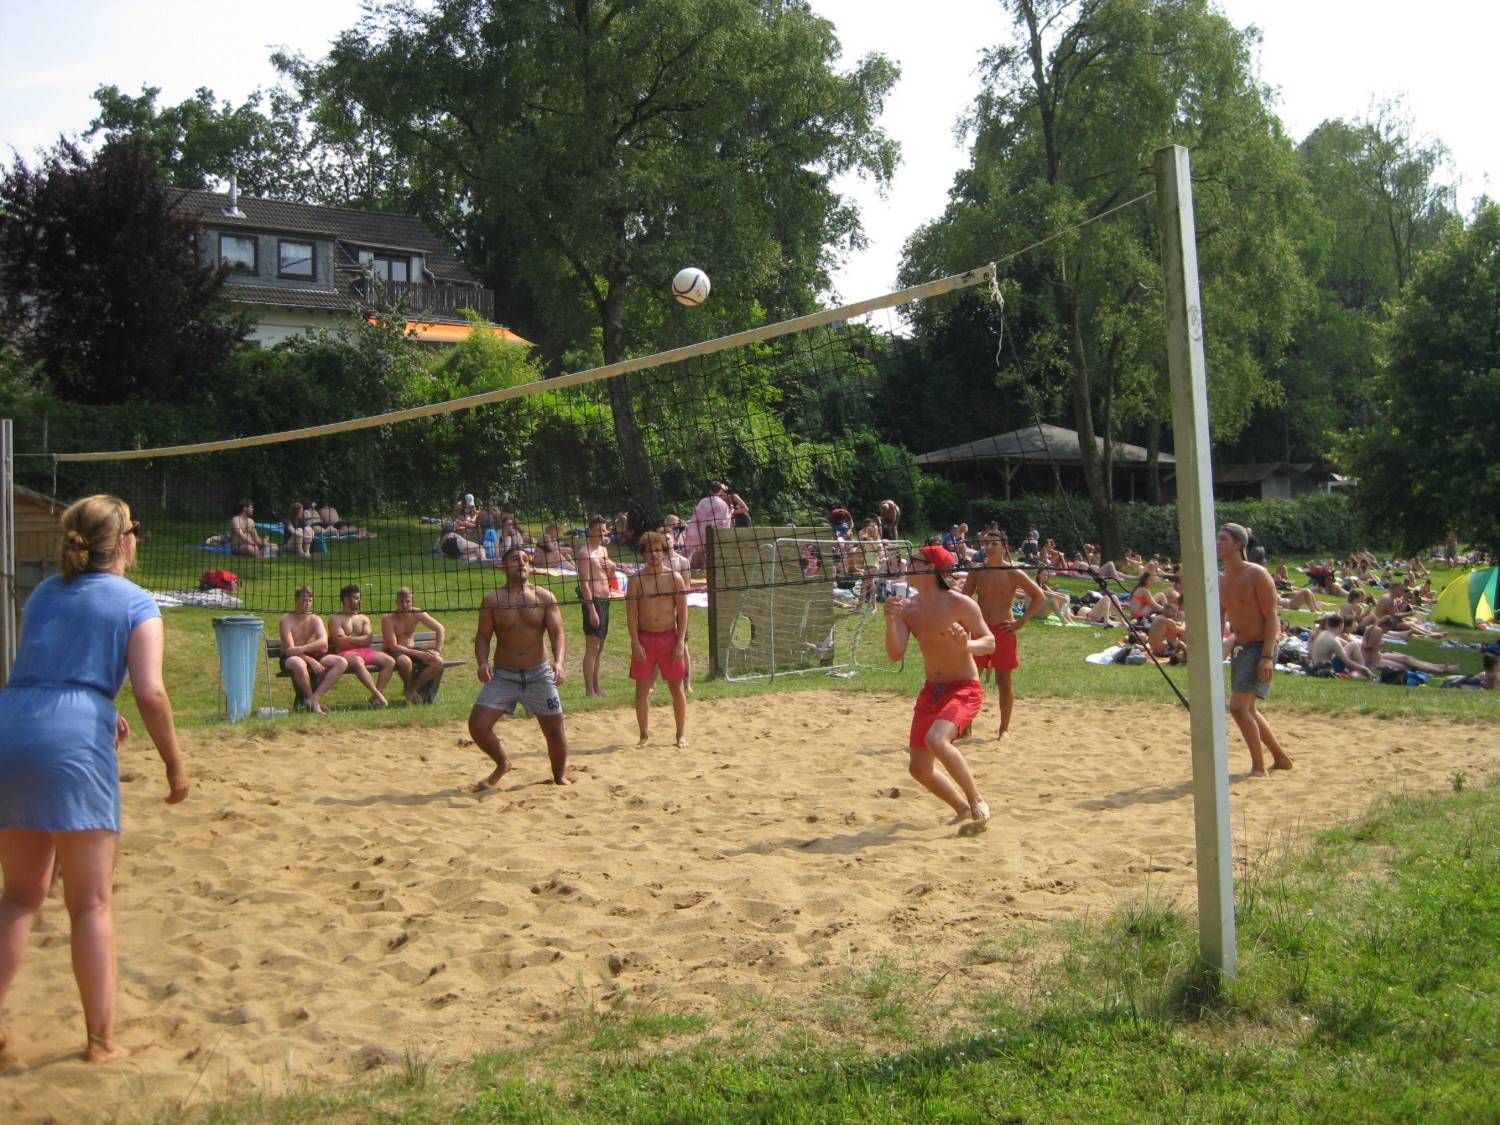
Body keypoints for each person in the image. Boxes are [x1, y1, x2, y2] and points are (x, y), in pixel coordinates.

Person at [0, 495, 190, 1063]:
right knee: (89, 905)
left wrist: (101, 710)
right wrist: (175, 765)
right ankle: (101, 1043)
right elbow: (152, 692)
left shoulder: (43, 593)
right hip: (72, 738)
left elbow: (50, 671)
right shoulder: (135, 602)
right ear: (125, 540)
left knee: (19, 897)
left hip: (13, 723)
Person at [884, 545, 994, 833]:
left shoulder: (959, 603)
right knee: (918, 769)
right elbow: (895, 654)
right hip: (932, 690)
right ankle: (960, 809)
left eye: (915, 560)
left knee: (937, 739)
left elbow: (990, 641)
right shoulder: (909, 608)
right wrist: (890, 621)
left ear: (931, 568)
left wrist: (967, 645)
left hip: (964, 688)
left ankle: (976, 801)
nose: (908, 564)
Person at [468, 545, 569, 788]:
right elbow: (483, 636)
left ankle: (558, 777)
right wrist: (483, 662)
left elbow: (557, 634)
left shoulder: (545, 597)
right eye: (515, 559)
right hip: (504, 674)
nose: (522, 563)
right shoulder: (493, 600)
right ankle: (503, 763)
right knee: (478, 725)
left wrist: (559, 662)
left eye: (525, 559)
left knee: (554, 731)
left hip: (539, 673)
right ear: (503, 566)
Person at [1217, 523, 1294, 777]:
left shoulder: (1257, 574)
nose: (1217, 544)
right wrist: (1216, 649)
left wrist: (1267, 657)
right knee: (1248, 709)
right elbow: (1219, 617)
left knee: (1239, 708)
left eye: (1223, 540)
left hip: (1261, 646)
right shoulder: (1220, 579)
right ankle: (1281, 758)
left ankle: (1259, 768)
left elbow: (1272, 618)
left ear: (1238, 545)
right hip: (1241, 647)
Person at [961, 533, 1044, 741]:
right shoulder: (977, 571)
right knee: (971, 680)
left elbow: (1038, 596)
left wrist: (1022, 620)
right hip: (980, 630)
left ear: (1004, 547)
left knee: (1004, 681)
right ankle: (965, 726)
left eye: (994, 544)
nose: (989, 547)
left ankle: (1003, 729)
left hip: (1003, 630)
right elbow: (964, 599)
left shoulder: (1013, 572)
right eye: (987, 543)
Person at [628, 531, 690, 747]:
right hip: (645, 639)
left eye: (657, 550)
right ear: (643, 554)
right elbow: (631, 615)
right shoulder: (636, 579)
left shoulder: (675, 578)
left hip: (669, 638)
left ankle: (680, 735)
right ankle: (644, 735)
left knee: (677, 688)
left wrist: (680, 642)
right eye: (649, 550)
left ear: (664, 553)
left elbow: (683, 613)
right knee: (642, 690)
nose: (653, 554)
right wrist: (635, 643)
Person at [278, 587, 350, 712]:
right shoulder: (286, 620)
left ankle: (314, 699)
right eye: (304, 600)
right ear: (297, 600)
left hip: (311, 654)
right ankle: (312, 702)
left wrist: (301, 649)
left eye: (310, 600)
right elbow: (290, 650)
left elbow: (323, 642)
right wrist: (309, 660)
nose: (307, 604)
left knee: (341, 662)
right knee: (298, 663)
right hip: (291, 658)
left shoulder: (315, 619)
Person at [329, 584, 398, 708]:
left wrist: (348, 638)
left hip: (365, 651)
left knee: (390, 661)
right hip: (345, 654)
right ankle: (378, 695)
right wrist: (358, 640)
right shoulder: (336, 619)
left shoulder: (363, 618)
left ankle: (375, 697)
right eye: (356, 598)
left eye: (358, 598)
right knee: (357, 660)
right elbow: (340, 643)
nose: (358, 601)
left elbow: (368, 640)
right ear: (346, 599)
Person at [382, 587, 447, 705]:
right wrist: (418, 653)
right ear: (396, 602)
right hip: (394, 650)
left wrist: (438, 650)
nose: (405, 605)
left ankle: (411, 690)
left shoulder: (417, 613)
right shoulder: (388, 618)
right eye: (401, 602)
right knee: (405, 661)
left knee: (438, 662)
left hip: (411, 649)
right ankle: (408, 688)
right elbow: (392, 645)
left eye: (408, 601)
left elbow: (440, 628)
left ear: (413, 601)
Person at [575, 514, 616, 698]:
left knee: (600, 647)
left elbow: (609, 574)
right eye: (599, 530)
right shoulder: (584, 553)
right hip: (594, 601)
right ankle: (589, 690)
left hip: (605, 599)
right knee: (592, 646)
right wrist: (591, 609)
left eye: (604, 530)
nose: (602, 533)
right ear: (590, 530)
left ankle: (597, 687)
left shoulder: (603, 552)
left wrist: (612, 566)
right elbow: (584, 584)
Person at [683, 481, 733, 569]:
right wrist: (731, 512)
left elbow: (696, 516)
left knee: (703, 549)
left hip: (703, 530)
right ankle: (708, 566)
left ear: (709, 490)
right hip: (715, 531)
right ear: (720, 491)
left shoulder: (703, 501)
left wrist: (692, 528)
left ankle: (704, 566)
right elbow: (725, 520)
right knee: (712, 549)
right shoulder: (723, 504)